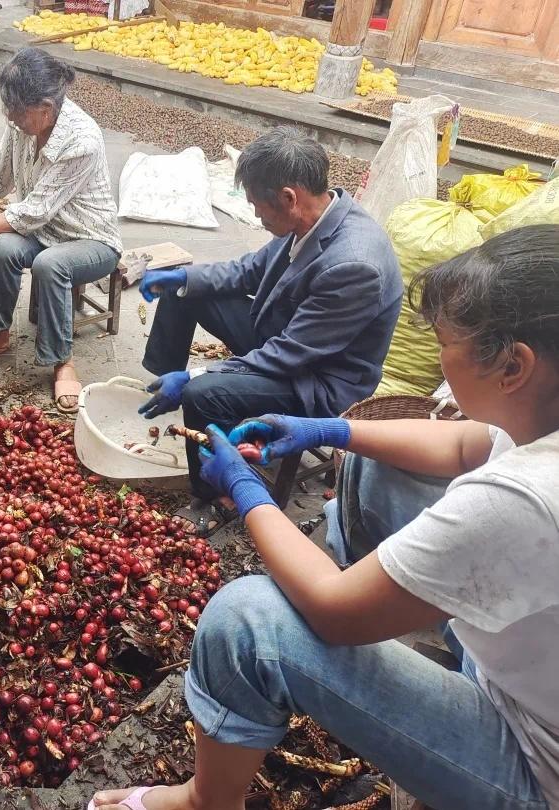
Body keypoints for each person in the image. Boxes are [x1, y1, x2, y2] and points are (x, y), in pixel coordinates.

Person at [91, 224, 559, 810]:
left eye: (446, 343)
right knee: (374, 471)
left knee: (247, 620)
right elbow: (468, 444)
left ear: (514, 366)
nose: (441, 361)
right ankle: (367, 599)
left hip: (533, 761)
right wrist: (329, 431)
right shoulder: (540, 421)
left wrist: (246, 490)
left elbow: (335, 613)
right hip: (530, 667)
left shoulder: (523, 498)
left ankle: (201, 800)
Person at [137, 127, 400, 512]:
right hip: (288, 336)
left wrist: (196, 375)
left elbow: (288, 355)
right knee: (185, 293)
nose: (257, 216)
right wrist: (184, 277)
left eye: (258, 207)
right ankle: (159, 391)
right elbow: (249, 270)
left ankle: (214, 491)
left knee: (202, 393)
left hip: (316, 380)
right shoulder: (312, 216)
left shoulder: (354, 266)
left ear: (289, 198)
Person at [0, 47, 121, 414]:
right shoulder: (23, 124)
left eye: (16, 111)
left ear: (45, 108)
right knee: (3, 248)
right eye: (8, 110)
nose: (10, 118)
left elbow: (34, 212)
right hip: (45, 231)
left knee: (50, 264)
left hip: (89, 238)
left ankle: (62, 360)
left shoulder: (82, 141)